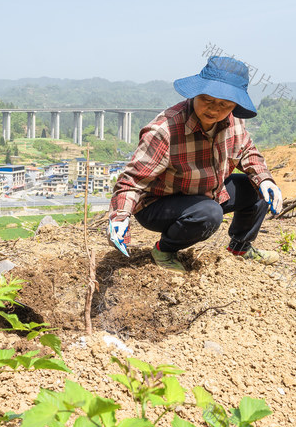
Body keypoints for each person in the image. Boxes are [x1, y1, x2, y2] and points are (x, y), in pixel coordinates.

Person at [106, 56, 283, 272]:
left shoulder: (233, 122)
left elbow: (247, 151)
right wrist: (120, 217)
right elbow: (131, 182)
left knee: (258, 189)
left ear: (234, 105)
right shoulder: (164, 131)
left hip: (207, 192)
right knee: (209, 213)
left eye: (224, 105)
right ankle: (165, 250)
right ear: (196, 93)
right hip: (160, 203)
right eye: (207, 100)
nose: (214, 110)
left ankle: (241, 247)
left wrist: (265, 180)